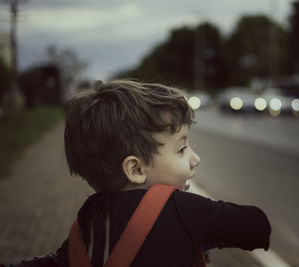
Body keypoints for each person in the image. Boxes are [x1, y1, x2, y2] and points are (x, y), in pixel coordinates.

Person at [57, 80, 271, 266]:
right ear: (136, 169)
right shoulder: (183, 209)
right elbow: (258, 228)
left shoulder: (84, 221)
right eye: (181, 149)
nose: (195, 159)